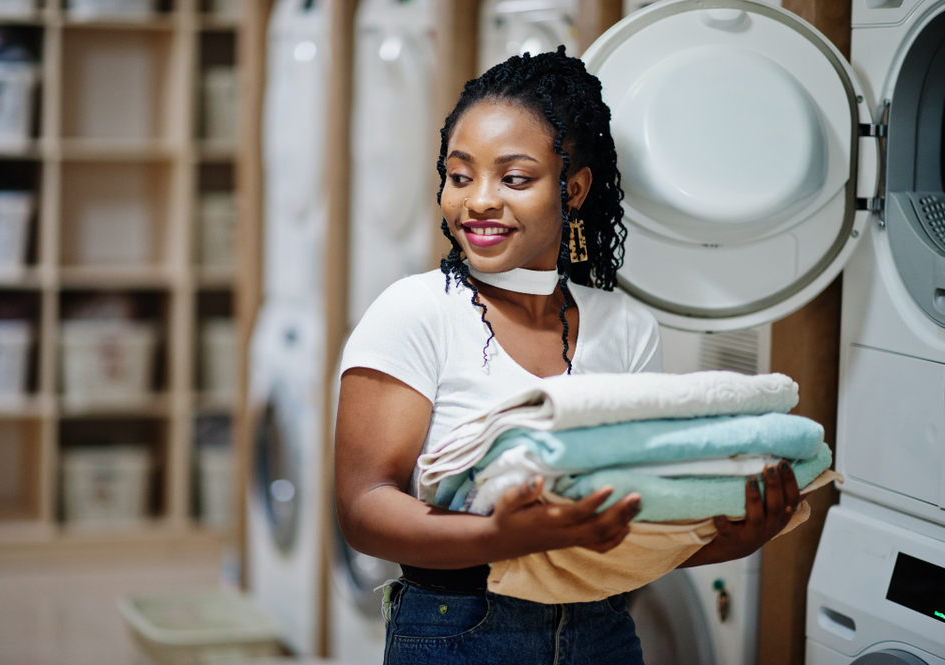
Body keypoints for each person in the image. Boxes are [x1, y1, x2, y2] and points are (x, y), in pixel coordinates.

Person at [334, 47, 801, 665]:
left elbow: (630, 521)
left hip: (602, 632)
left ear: (573, 188)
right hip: (458, 631)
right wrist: (494, 537)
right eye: (460, 174)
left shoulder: (627, 327)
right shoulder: (416, 311)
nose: (478, 201)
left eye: (515, 178)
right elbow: (365, 506)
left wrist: (725, 540)